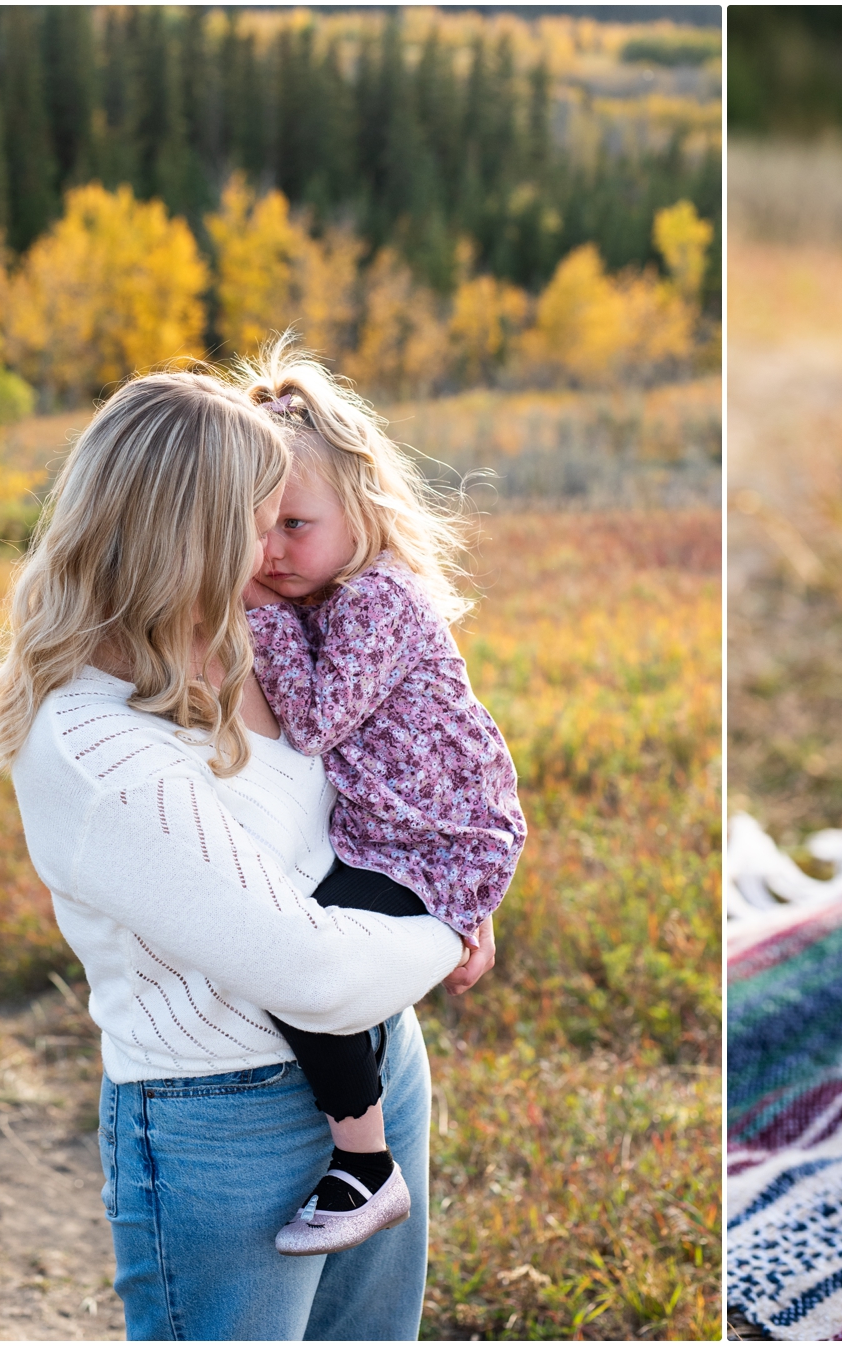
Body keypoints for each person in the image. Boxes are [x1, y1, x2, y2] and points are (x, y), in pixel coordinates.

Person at [0, 365, 486, 1339]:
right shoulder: (95, 745)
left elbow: (388, 782)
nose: (275, 547)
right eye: (260, 521)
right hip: (225, 1119)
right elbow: (315, 973)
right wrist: (448, 915)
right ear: (189, 533)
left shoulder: (262, 635)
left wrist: (444, 860)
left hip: (382, 1062)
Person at [235, 344, 526, 1256]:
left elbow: (316, 723)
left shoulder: (376, 602)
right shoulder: (337, 591)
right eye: (253, 532)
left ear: (359, 511)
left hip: (434, 837)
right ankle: (362, 1149)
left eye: (294, 525)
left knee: (305, 964)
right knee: (320, 956)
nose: (274, 553)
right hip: (401, 834)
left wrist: (253, 608)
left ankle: (366, 1164)